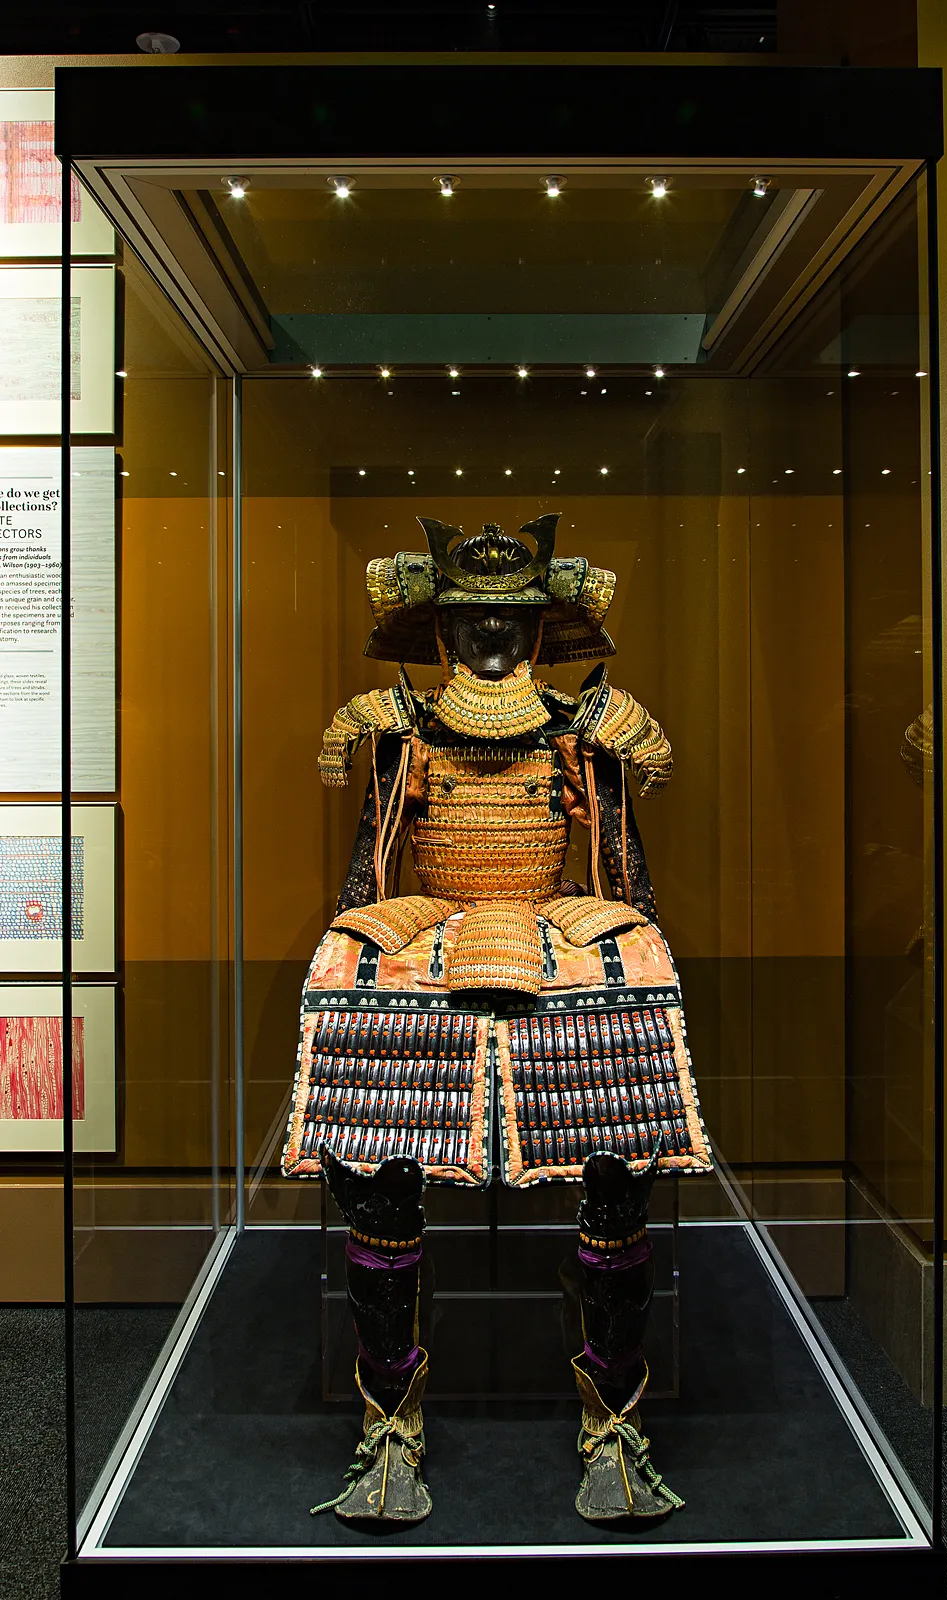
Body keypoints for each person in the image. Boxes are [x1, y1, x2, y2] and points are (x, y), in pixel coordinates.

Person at [283, 513, 711, 1524]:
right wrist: (364, 952)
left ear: (539, 626)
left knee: (616, 1142)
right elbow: (369, 874)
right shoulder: (397, 727)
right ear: (441, 626)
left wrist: (622, 955)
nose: (489, 638)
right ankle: (390, 1423)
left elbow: (624, 876)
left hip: (553, 919)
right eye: (471, 616)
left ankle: (613, 1422)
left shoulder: (587, 724)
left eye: (507, 621)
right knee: (374, 1124)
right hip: (430, 918)